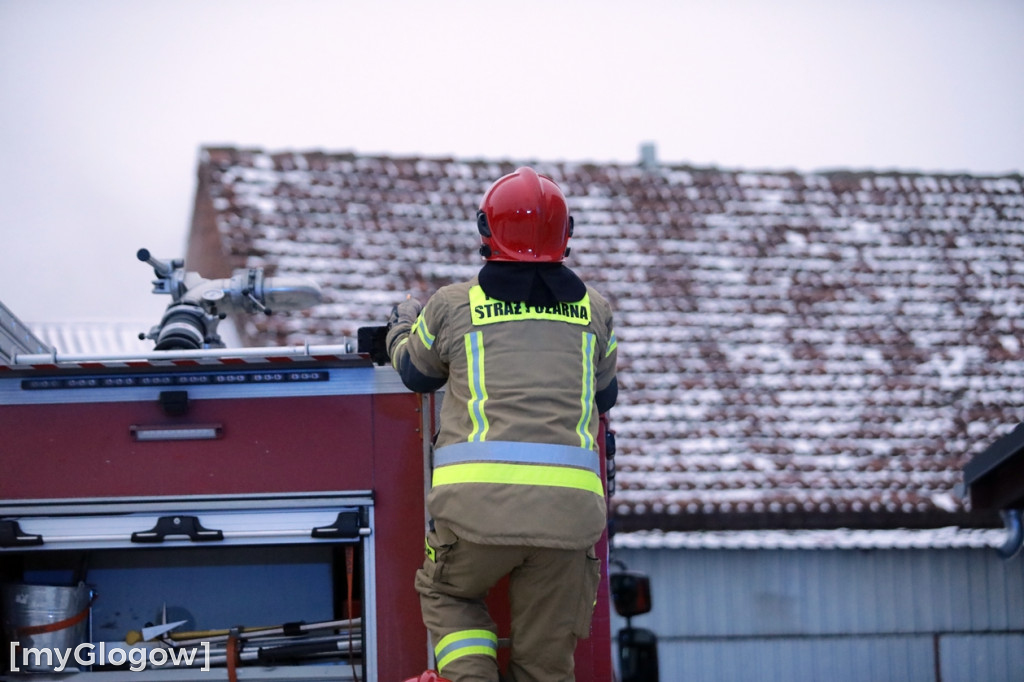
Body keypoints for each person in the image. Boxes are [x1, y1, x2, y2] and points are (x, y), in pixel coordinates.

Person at [387, 166, 619, 682]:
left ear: (485, 230)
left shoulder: (451, 306)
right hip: (568, 523)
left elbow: (415, 373)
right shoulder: (596, 312)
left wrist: (401, 325)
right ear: (566, 235)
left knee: (448, 594)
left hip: (475, 515)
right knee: (545, 668)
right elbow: (606, 395)